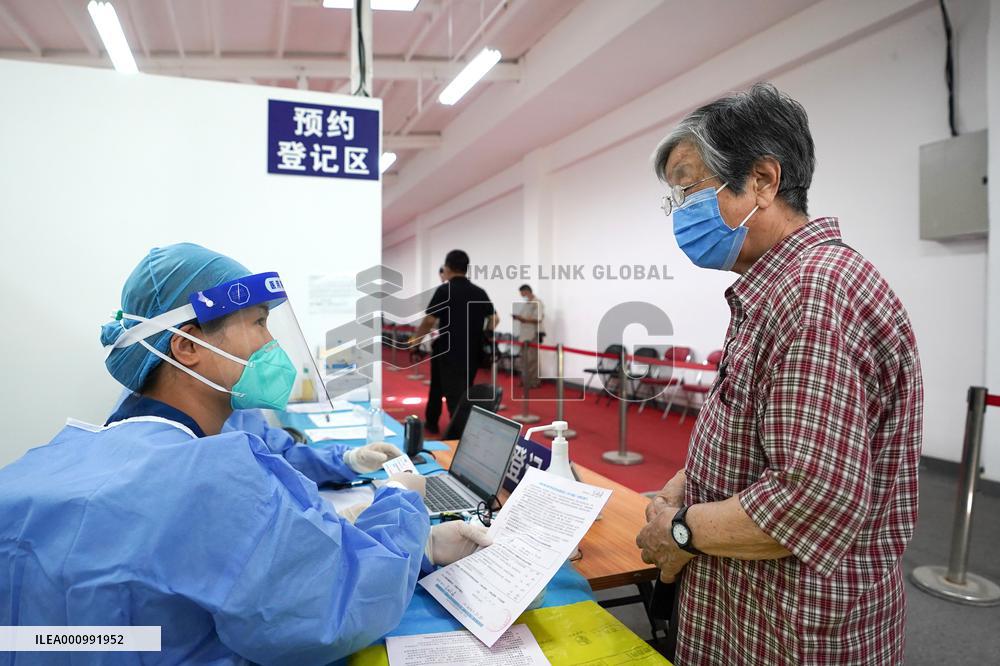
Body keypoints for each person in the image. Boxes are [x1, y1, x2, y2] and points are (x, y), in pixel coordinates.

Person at [0, 243, 490, 665]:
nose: (272, 342)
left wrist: (342, 473)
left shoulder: (62, 458)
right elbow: (332, 610)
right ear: (187, 345)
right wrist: (404, 516)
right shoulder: (204, 479)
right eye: (258, 322)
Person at [635, 84, 922, 665]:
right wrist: (690, 481)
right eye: (675, 198)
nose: (681, 212)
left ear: (763, 180)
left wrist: (682, 530)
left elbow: (810, 499)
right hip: (747, 611)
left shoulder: (814, 294)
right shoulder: (777, 288)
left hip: (792, 630)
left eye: (690, 187)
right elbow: (762, 432)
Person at [410, 250, 498, 434]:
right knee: (459, 389)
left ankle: (458, 436)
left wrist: (416, 342)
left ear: (447, 268)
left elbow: (428, 321)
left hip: (447, 351)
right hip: (472, 352)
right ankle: (432, 422)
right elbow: (495, 318)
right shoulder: (479, 292)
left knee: (449, 393)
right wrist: (483, 332)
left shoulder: (444, 290)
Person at [512, 284, 545, 389]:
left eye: (522, 293)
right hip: (524, 335)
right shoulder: (527, 304)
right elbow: (525, 317)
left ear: (527, 291)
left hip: (533, 334)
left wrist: (523, 319)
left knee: (532, 359)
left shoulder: (537, 303)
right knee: (524, 359)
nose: (522, 296)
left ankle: (534, 382)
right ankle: (525, 380)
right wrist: (519, 318)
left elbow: (538, 318)